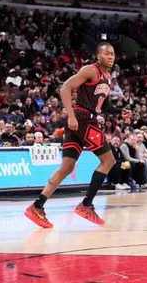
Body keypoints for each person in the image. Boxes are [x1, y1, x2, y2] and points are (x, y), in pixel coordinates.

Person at [25, 42, 117, 228]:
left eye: (112, 54)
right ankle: (86, 205)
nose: (110, 56)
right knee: (108, 161)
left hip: (85, 121)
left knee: (67, 167)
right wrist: (71, 115)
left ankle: (37, 206)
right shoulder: (90, 70)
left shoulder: (107, 76)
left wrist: (111, 113)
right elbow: (65, 88)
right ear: (98, 56)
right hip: (82, 120)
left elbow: (100, 104)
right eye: (106, 53)